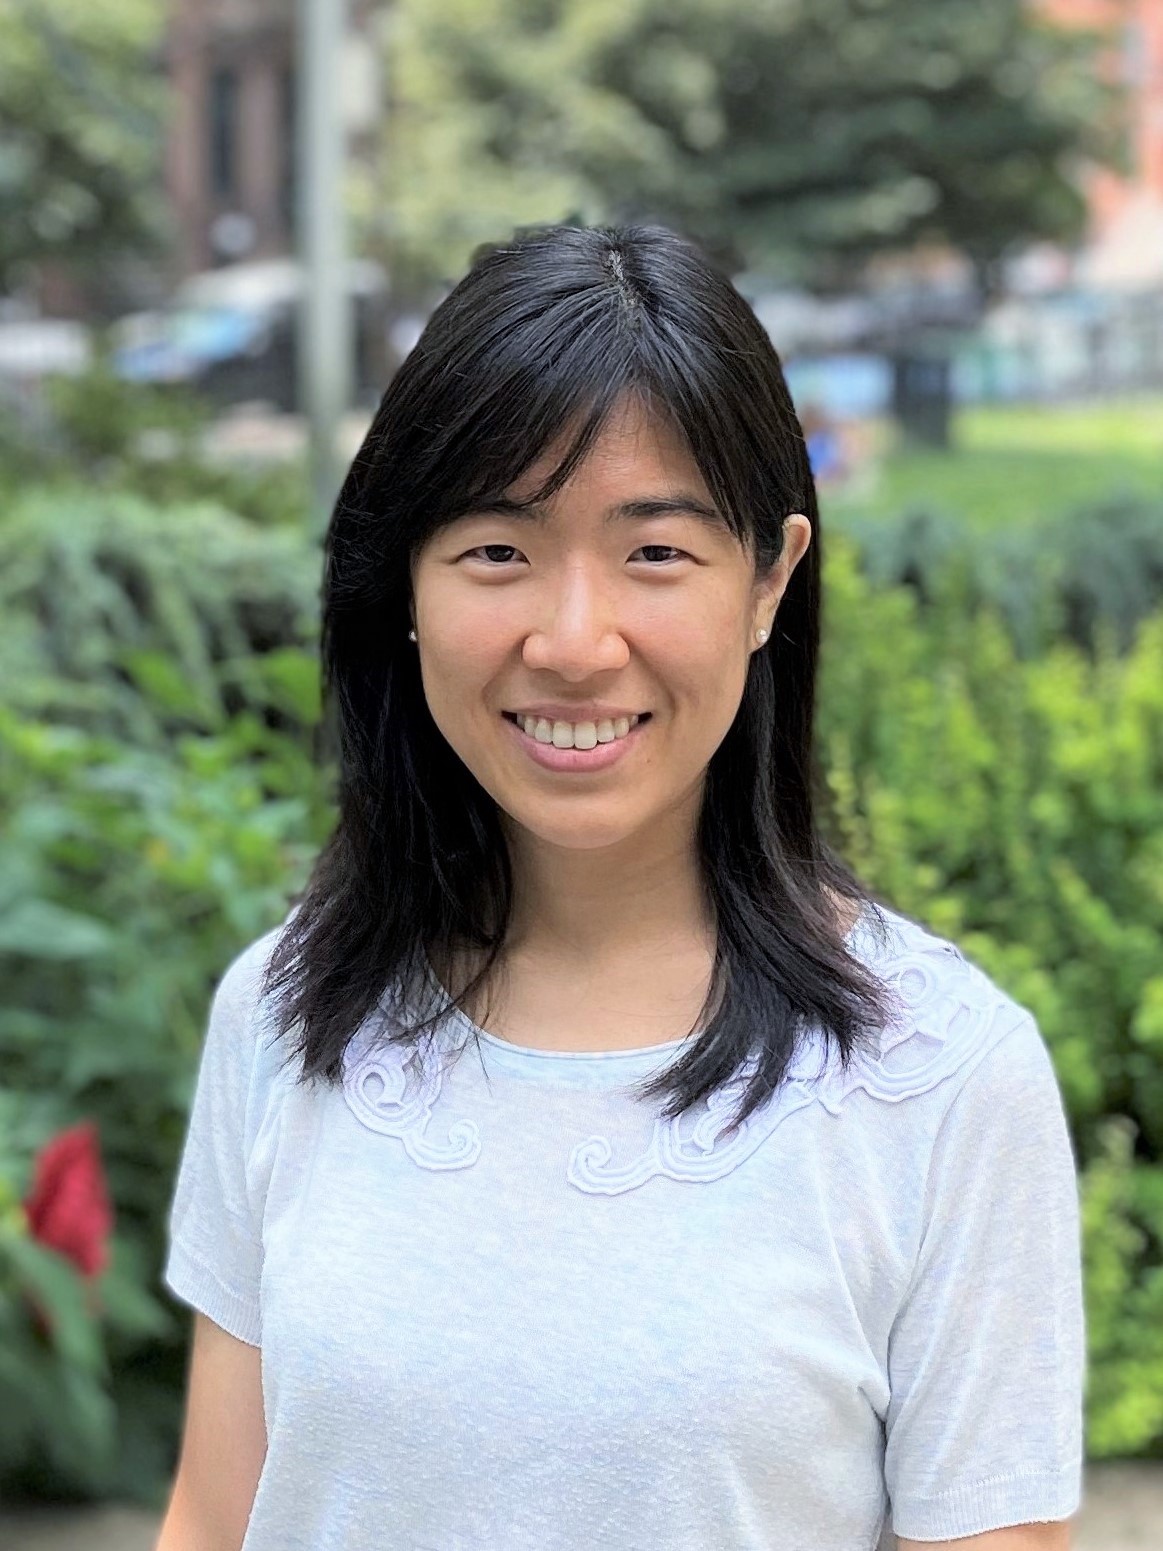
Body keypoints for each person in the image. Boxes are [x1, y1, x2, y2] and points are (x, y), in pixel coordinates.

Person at [157, 224, 1084, 1551]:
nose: (575, 641)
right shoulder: (290, 1014)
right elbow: (213, 1517)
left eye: (656, 554)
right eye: (496, 551)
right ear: (405, 582)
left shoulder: (940, 1078)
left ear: (769, 579)